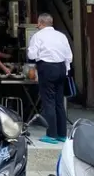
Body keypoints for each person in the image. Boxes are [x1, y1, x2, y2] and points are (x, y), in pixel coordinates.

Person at [27, 13, 73, 144]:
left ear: (40, 23)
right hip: (61, 68)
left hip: (46, 68)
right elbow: (69, 56)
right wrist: (66, 70)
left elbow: (32, 54)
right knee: (59, 102)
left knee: (49, 102)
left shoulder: (37, 36)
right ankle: (62, 134)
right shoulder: (61, 36)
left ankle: (51, 134)